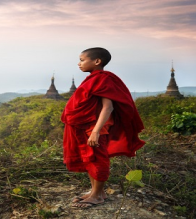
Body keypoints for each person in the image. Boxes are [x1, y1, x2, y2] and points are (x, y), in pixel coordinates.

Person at [61, 47, 145, 208]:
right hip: (82, 126)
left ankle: (98, 196)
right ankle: (95, 192)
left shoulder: (104, 79)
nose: (79, 63)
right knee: (88, 158)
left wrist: (96, 131)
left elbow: (108, 107)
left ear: (97, 61)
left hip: (95, 127)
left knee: (98, 157)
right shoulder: (92, 78)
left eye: (82, 59)